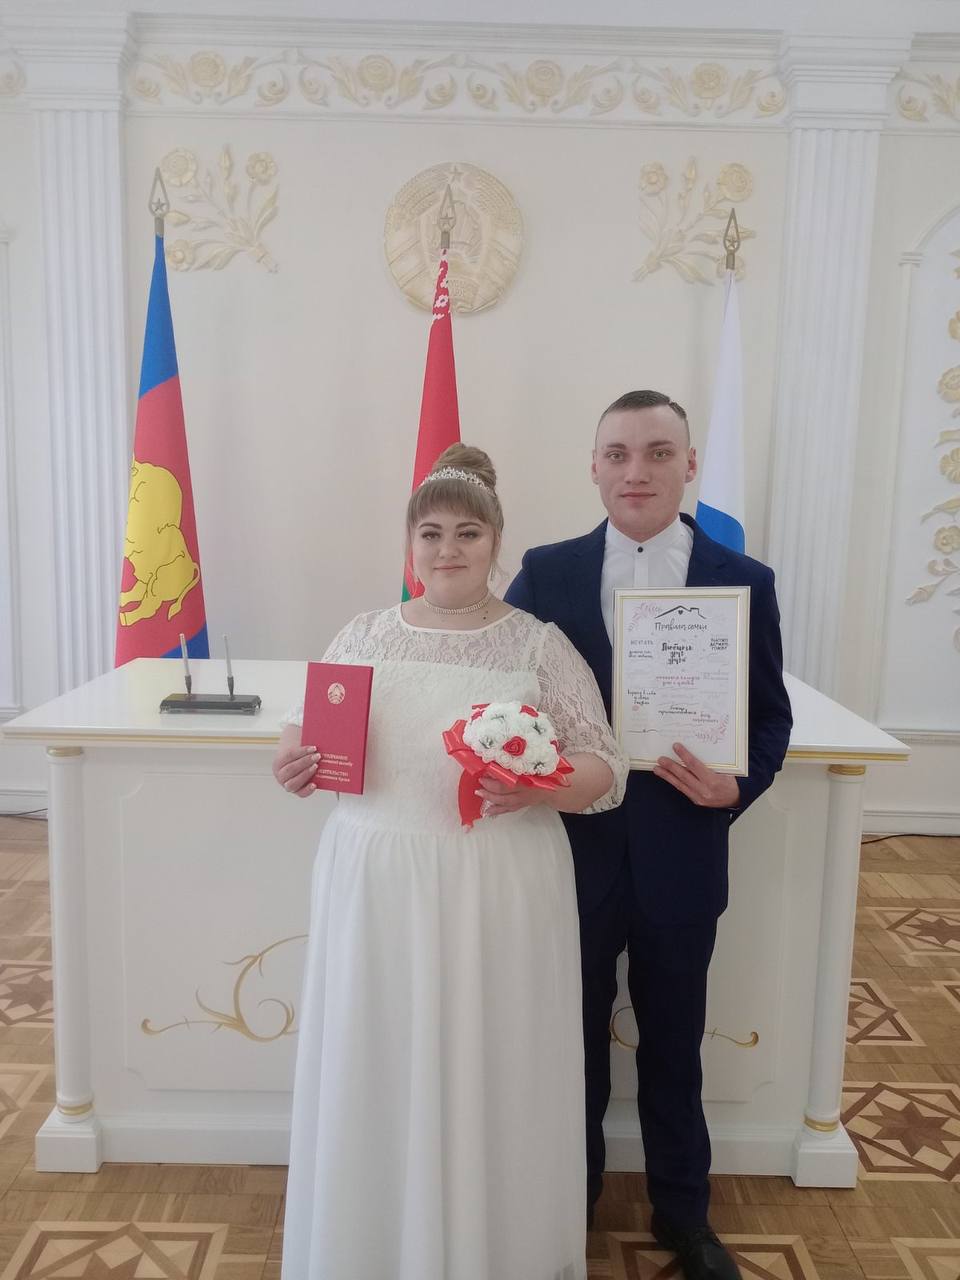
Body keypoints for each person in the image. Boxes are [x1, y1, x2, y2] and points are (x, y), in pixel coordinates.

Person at [272, 444, 628, 1280]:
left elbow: (605, 767)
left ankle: (488, 1248)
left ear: (496, 541)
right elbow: (303, 730)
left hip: (495, 881)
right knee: (379, 1055)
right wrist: (292, 762)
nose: (447, 549)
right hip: (376, 879)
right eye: (430, 533)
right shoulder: (363, 633)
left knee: (488, 1061)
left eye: (467, 533)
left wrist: (541, 786)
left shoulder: (537, 646)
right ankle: (373, 1246)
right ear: (409, 544)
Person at [506, 390, 793, 1280]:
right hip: (571, 855)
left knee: (675, 1044)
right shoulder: (546, 571)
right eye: (619, 453)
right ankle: (571, 1204)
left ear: (690, 464)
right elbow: (494, 686)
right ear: (594, 466)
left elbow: (770, 718)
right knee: (572, 1045)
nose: (638, 471)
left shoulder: (745, 580)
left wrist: (738, 784)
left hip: (683, 856)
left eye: (659, 452)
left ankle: (684, 1217)